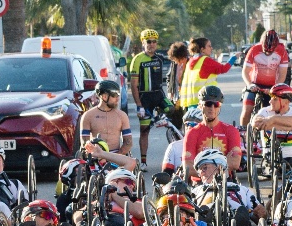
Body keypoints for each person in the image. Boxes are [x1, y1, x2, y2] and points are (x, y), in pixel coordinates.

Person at [189, 149, 266, 226]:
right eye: (199, 170)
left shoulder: (241, 189)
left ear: (219, 167)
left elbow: (260, 216)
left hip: (234, 225)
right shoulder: (196, 191)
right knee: (203, 212)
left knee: (241, 212)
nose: (201, 173)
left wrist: (260, 212)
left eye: (204, 168)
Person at [182, 86, 244, 179]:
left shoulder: (231, 131)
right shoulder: (192, 133)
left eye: (216, 104)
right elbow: (187, 167)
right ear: (200, 106)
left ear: (220, 106)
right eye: (208, 104)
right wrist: (221, 164)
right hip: (199, 184)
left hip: (225, 182)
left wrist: (206, 169)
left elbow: (235, 163)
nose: (212, 108)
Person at [129, 29, 172, 163]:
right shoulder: (137, 59)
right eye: (149, 42)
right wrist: (139, 106)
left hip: (159, 95)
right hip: (144, 99)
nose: (152, 44)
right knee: (144, 131)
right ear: (143, 43)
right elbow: (133, 84)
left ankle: (156, 120)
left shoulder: (159, 58)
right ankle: (143, 161)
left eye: (154, 42)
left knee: (172, 110)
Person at [239, 30, 291, 126]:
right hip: (255, 84)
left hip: (272, 86)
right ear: (261, 43)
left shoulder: (282, 52)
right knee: (247, 110)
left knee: (273, 113)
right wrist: (250, 84)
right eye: (265, 51)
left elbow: (282, 74)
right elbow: (245, 71)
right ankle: (243, 133)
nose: (267, 53)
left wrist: (274, 89)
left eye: (271, 52)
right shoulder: (254, 49)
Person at [249, 83, 292, 167]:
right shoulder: (265, 111)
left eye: (275, 99)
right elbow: (255, 123)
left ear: (286, 101)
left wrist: (273, 120)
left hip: (289, 158)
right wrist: (289, 126)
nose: (270, 101)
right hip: (268, 157)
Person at [178, 38, 234, 111]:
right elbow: (224, 68)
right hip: (205, 102)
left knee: (193, 122)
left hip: (191, 103)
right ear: (202, 49)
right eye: (209, 46)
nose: (211, 48)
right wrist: (233, 58)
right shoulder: (205, 60)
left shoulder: (190, 61)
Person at [80, 80, 133, 155]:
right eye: (114, 96)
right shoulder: (88, 116)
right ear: (104, 96)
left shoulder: (122, 115)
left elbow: (128, 142)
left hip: (117, 156)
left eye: (118, 95)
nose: (117, 99)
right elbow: (84, 143)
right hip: (96, 157)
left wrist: (116, 157)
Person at [160, 106, 204, 174]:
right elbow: (166, 175)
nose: (189, 127)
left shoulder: (209, 146)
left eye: (194, 124)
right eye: (187, 124)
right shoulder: (174, 147)